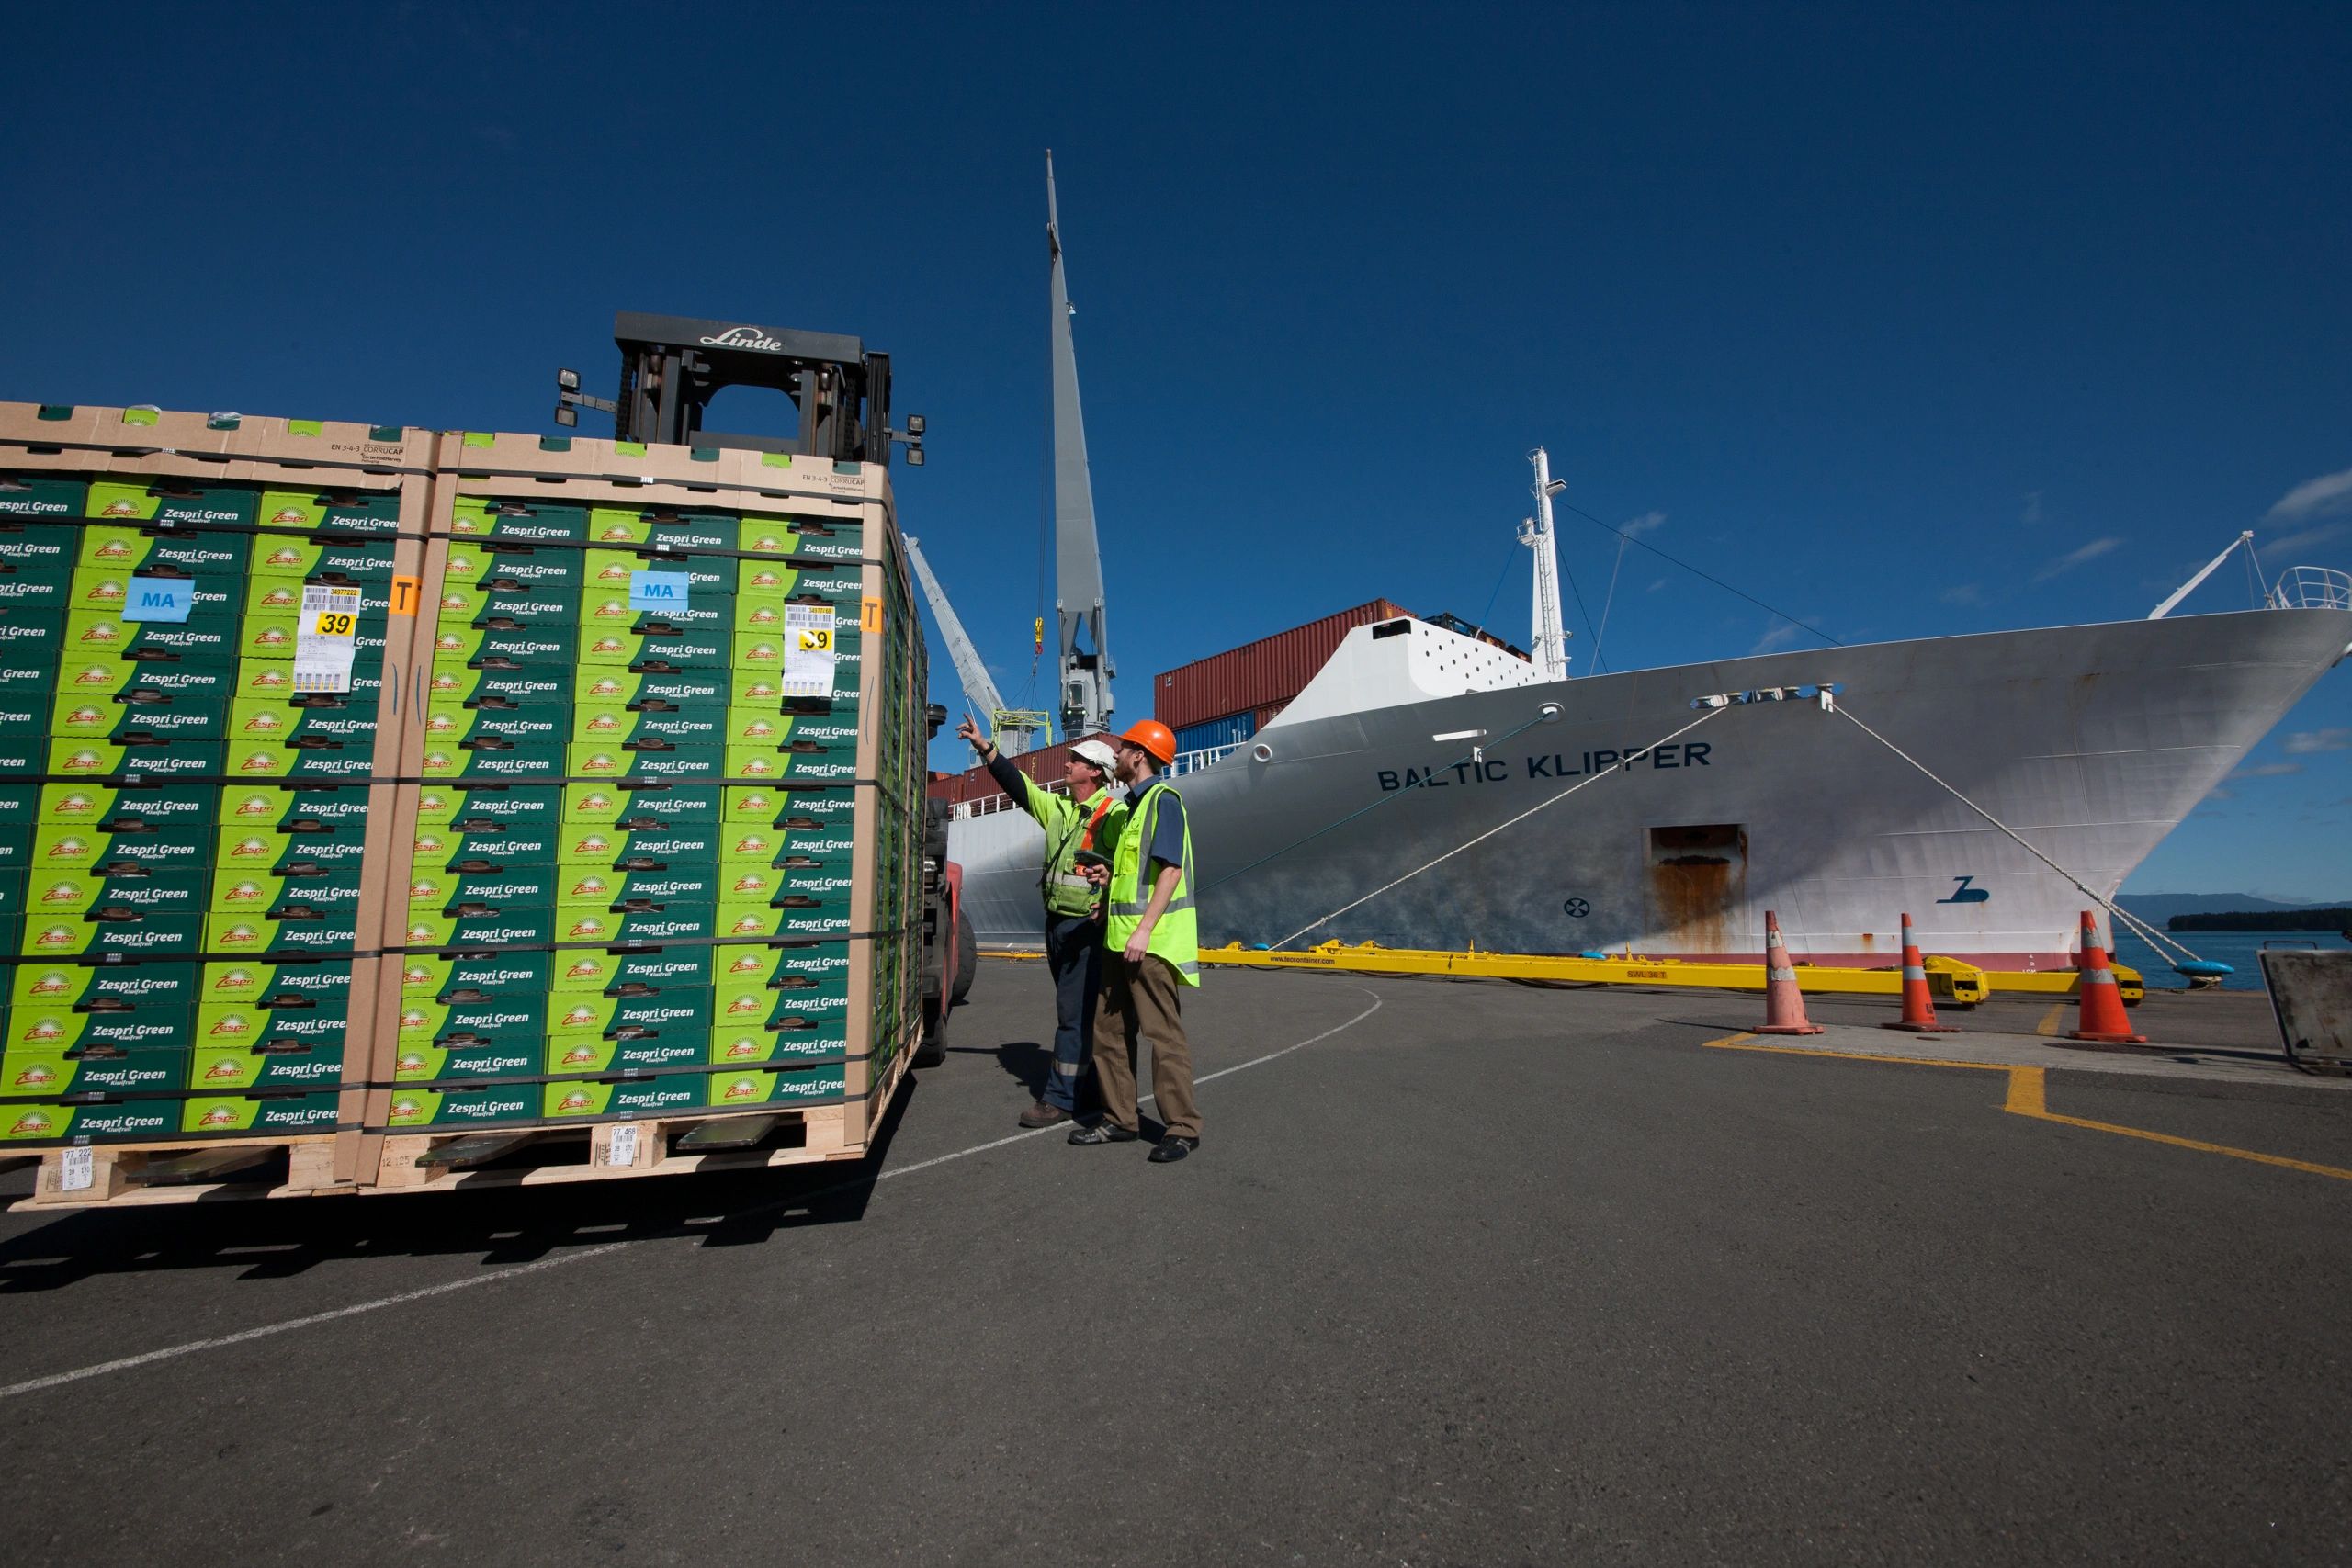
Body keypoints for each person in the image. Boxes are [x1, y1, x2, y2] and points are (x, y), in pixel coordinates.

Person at [956, 715, 1128, 1128]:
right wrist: (986, 748)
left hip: (1089, 928)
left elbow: (1130, 866)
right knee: (1079, 1013)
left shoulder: (1114, 813)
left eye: (1074, 759)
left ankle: (1060, 1099)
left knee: (1073, 1015)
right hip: (1056, 926)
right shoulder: (1059, 808)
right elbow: (1019, 787)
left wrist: (1109, 896)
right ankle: (1089, 1089)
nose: (1066, 764)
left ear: (1095, 772)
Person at [1069, 718, 1202, 1163]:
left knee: (1163, 1037)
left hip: (1151, 944)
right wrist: (1107, 883)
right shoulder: (1131, 809)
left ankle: (1182, 1128)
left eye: (1124, 748)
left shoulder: (1165, 801)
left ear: (1138, 755)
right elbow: (1136, 876)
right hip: (1117, 940)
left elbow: (1170, 870)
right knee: (1108, 1034)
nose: (1118, 755)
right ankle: (1120, 1119)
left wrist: (1144, 929)